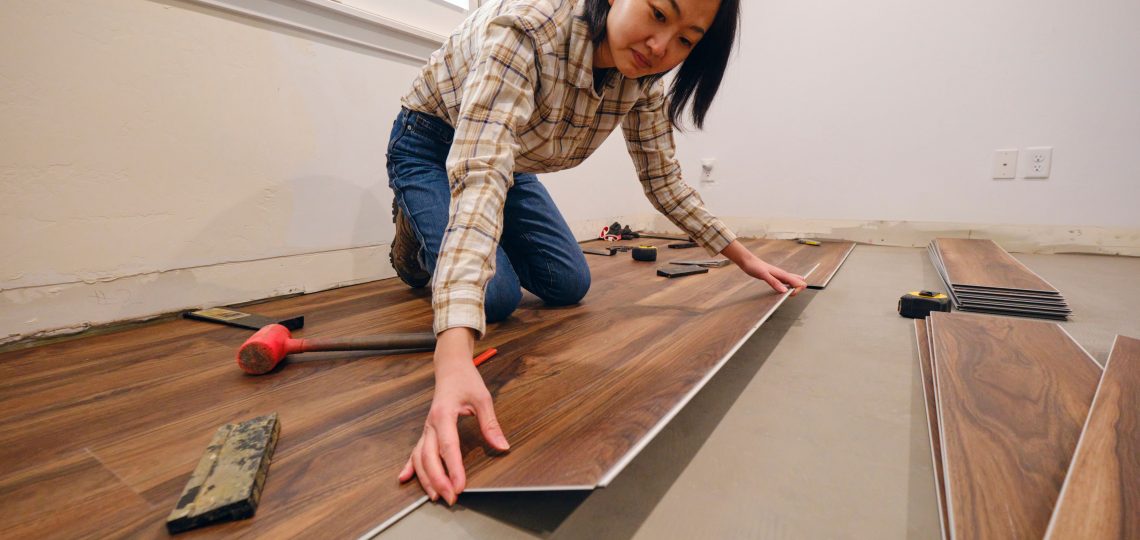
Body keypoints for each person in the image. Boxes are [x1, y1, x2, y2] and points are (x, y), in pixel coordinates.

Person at [387, 0, 806, 505]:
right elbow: (480, 178)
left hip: (511, 160)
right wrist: (452, 362)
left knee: (569, 283)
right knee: (493, 299)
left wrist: (745, 258)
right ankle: (413, 241)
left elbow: (663, 180)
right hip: (433, 143)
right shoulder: (525, 31)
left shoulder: (644, 77)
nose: (661, 47)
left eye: (686, 40)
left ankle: (455, 241)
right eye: (657, 13)